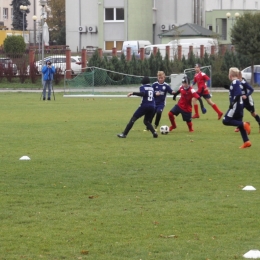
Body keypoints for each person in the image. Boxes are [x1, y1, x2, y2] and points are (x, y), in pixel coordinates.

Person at [222, 67, 251, 149]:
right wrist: (229, 88)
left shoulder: (235, 82)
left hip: (236, 106)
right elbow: (236, 91)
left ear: (230, 75)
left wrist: (232, 103)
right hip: (240, 105)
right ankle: (246, 142)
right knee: (239, 123)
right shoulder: (237, 82)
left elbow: (238, 94)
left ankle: (245, 124)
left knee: (225, 120)